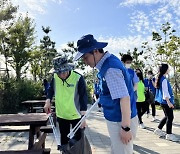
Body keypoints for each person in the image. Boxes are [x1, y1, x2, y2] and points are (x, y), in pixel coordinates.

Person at [74, 34, 138, 154]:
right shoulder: (107, 63)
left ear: (95, 51)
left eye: (86, 57)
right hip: (117, 118)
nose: (85, 62)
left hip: (121, 121)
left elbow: (124, 98)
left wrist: (125, 127)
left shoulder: (110, 69)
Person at [44, 56, 88, 146]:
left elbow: (83, 97)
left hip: (76, 115)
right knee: (64, 140)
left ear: (68, 68)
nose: (62, 74)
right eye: (59, 72)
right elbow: (50, 90)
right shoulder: (55, 77)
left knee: (79, 141)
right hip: (61, 114)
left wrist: (83, 117)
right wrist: (48, 101)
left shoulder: (78, 78)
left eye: (64, 71)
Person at [154, 64, 178, 142]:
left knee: (167, 116)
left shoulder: (160, 78)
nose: (169, 69)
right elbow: (165, 92)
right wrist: (169, 102)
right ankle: (169, 134)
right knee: (170, 117)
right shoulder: (163, 79)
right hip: (166, 101)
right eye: (168, 68)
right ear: (165, 70)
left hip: (163, 101)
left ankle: (158, 130)